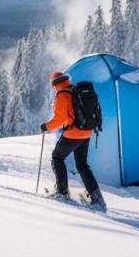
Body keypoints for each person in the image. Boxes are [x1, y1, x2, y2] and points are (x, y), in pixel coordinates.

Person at [40, 71, 106, 210]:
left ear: (54, 84)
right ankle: (97, 198)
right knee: (82, 165)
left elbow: (59, 120)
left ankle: (62, 192)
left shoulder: (62, 95)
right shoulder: (75, 90)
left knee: (57, 157)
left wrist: (46, 126)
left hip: (72, 134)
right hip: (86, 132)